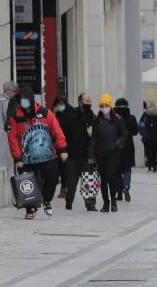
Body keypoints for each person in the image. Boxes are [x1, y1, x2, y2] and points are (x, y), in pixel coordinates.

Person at [8, 86, 68, 219]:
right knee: (27, 184)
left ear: (31, 99)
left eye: (25, 99)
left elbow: (57, 131)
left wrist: (62, 148)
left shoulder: (46, 113)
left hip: (48, 156)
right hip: (26, 158)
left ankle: (46, 201)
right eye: (21, 100)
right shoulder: (15, 117)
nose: (24, 102)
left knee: (52, 181)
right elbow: (12, 138)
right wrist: (17, 157)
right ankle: (30, 209)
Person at [89, 93, 127, 213]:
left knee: (111, 175)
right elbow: (94, 138)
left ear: (110, 106)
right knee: (103, 179)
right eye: (102, 105)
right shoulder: (97, 120)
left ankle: (114, 202)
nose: (104, 108)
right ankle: (106, 203)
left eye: (106, 105)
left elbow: (124, 135)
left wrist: (117, 144)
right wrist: (91, 154)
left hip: (114, 153)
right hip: (101, 153)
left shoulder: (118, 119)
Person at [61, 93, 97, 211]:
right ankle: (69, 202)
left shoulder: (93, 117)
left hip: (88, 156)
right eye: (86, 101)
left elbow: (95, 137)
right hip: (73, 155)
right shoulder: (71, 116)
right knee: (71, 181)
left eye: (90, 101)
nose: (88, 104)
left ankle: (90, 204)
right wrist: (64, 150)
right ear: (80, 102)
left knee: (89, 180)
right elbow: (62, 134)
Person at [113, 98, 139, 202]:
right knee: (127, 169)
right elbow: (136, 131)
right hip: (128, 146)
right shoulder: (131, 118)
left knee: (117, 170)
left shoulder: (113, 117)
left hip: (116, 146)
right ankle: (126, 186)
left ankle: (119, 193)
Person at [141, 102, 157, 172]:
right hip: (156, 135)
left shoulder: (145, 114)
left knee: (148, 151)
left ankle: (149, 165)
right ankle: (154, 166)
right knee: (154, 151)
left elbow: (141, 124)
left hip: (147, 135)